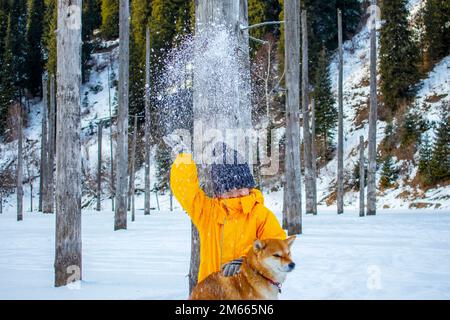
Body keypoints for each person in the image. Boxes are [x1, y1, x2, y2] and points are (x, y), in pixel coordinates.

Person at [164, 134, 286, 284]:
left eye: (240, 187)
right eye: (228, 190)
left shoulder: (261, 215)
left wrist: (247, 263)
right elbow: (186, 190)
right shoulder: (208, 212)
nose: (236, 195)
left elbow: (278, 250)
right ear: (218, 193)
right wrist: (183, 158)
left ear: (249, 186)